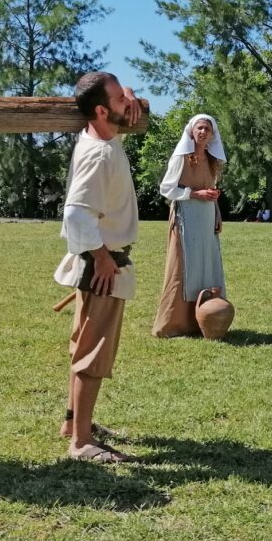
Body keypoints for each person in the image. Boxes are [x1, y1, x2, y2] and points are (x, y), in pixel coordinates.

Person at [53, 71, 142, 462]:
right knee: (93, 354)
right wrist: (103, 258)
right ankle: (81, 443)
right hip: (101, 264)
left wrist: (129, 97)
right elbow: (75, 214)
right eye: (120, 99)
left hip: (97, 260)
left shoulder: (102, 137)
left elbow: (120, 107)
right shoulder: (98, 153)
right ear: (102, 111)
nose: (128, 102)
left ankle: (74, 423)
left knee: (83, 347)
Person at [153, 114, 228, 338]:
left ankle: (206, 319)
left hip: (206, 218)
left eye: (207, 129)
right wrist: (195, 194)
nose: (203, 132)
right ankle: (175, 323)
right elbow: (166, 189)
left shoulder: (212, 160)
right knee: (184, 267)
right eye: (199, 128)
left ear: (212, 135)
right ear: (191, 131)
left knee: (206, 264)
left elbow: (210, 189)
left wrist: (216, 212)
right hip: (185, 216)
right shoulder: (181, 157)